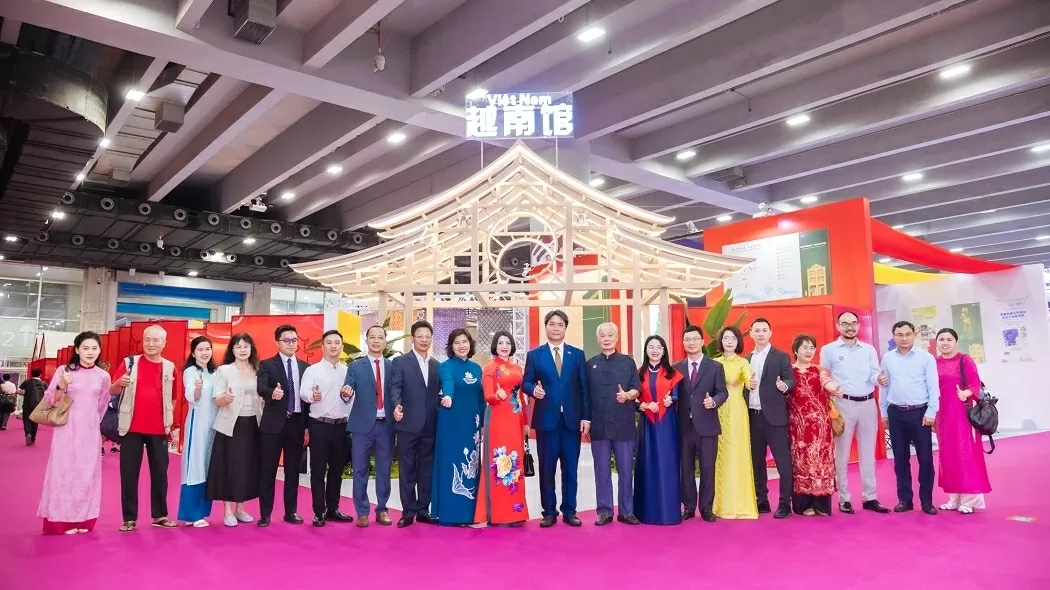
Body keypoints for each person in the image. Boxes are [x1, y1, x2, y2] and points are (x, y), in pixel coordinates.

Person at [37, 332, 111, 534]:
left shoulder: (103, 376)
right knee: (64, 471)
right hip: (67, 429)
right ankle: (62, 521)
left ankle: (83, 520)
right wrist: (61, 385)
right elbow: (51, 399)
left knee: (87, 474)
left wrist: (94, 425)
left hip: (90, 431)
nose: (90, 352)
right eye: (85, 348)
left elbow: (102, 404)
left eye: (94, 348)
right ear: (77, 349)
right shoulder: (64, 370)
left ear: (99, 351)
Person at [522, 310, 589, 528]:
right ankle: (549, 512)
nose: (556, 328)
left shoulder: (577, 355)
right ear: (546, 327)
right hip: (546, 421)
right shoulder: (535, 355)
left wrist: (586, 417)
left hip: (571, 422)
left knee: (570, 469)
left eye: (560, 324)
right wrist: (534, 390)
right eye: (552, 324)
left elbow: (584, 388)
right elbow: (526, 382)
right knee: (547, 469)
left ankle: (570, 511)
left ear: (565, 328)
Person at [819, 312, 889, 514]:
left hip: (868, 404)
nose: (849, 327)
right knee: (841, 454)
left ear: (858, 326)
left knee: (868, 453)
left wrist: (879, 379)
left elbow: (874, 373)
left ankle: (870, 497)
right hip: (843, 405)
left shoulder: (868, 350)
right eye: (845, 323)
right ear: (838, 326)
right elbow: (824, 375)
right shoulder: (829, 350)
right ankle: (844, 499)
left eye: (853, 323)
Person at [110, 324, 177, 532]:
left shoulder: (170, 367)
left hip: (159, 429)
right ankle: (129, 518)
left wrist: (170, 423)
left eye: (156, 340)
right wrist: (119, 383)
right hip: (131, 428)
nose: (151, 344)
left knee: (160, 474)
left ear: (164, 343)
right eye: (147, 339)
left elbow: (173, 399)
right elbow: (112, 390)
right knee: (129, 474)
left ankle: (160, 515)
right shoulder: (129, 363)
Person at [878, 320, 939, 515]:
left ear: (914, 335)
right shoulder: (888, 358)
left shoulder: (926, 358)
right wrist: (884, 412)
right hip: (896, 413)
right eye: (900, 335)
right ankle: (905, 500)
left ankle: (927, 501)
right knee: (900, 459)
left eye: (907, 334)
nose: (904, 338)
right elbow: (884, 386)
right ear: (894, 336)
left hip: (920, 413)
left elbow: (933, 387)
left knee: (925, 459)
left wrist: (931, 412)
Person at [586, 322, 642, 526]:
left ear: (616, 338)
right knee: (601, 471)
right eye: (603, 335)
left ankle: (626, 511)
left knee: (626, 470)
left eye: (610, 335)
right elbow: (585, 396)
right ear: (597, 339)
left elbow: (637, 389)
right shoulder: (590, 364)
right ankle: (604, 511)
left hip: (623, 424)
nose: (606, 339)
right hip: (599, 425)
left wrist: (627, 395)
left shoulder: (628, 362)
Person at [474, 331, 530, 527]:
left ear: (512, 345)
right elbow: (487, 396)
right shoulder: (489, 368)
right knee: (499, 463)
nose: (504, 346)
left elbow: (521, 397)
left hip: (515, 420)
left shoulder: (517, 368)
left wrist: (526, 422)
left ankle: (516, 512)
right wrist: (496, 396)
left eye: (507, 343)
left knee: (515, 465)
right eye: (500, 343)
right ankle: (498, 514)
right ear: (495, 346)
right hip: (497, 419)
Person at [674, 325, 729, 522]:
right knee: (686, 468)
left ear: (702, 341)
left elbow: (723, 392)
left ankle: (706, 507)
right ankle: (688, 507)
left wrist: (713, 401)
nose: (691, 343)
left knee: (707, 467)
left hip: (707, 425)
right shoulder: (676, 368)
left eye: (695, 339)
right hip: (683, 426)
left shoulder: (715, 367)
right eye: (687, 339)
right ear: (683, 343)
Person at [256, 324, 309, 527]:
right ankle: (265, 514)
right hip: (273, 425)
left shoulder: (305, 367)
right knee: (268, 470)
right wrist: (272, 393)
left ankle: (291, 511)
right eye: (286, 340)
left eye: (294, 340)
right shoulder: (267, 364)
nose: (291, 343)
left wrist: (306, 426)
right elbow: (261, 388)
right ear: (277, 342)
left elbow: (306, 399)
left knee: (292, 471)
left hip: (296, 423)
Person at [933, 328, 991, 514]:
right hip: (943, 415)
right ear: (937, 342)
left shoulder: (964, 359)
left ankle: (969, 500)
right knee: (948, 455)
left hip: (963, 414)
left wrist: (967, 392)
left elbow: (975, 383)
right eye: (941, 339)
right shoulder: (934, 362)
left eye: (949, 339)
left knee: (966, 454)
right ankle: (954, 499)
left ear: (956, 341)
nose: (945, 342)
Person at [390, 320, 441, 528]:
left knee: (427, 469)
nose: (424, 340)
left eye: (427, 336)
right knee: (407, 469)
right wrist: (396, 406)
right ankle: (408, 512)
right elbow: (395, 387)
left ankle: (423, 510)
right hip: (407, 424)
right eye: (420, 336)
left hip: (430, 425)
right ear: (413, 338)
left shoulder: (437, 365)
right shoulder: (400, 362)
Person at [208, 333, 263, 527]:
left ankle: (241, 508)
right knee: (229, 467)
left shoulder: (258, 370)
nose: (242, 350)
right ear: (232, 349)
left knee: (247, 466)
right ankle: (228, 511)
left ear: (251, 349)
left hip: (253, 423)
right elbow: (216, 399)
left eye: (246, 346)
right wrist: (225, 399)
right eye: (238, 346)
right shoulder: (224, 370)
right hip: (230, 424)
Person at [301, 330, 354, 527]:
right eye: (329, 342)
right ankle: (318, 512)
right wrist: (312, 395)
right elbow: (303, 392)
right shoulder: (312, 370)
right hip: (319, 425)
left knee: (337, 470)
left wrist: (348, 396)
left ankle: (333, 509)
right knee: (318, 470)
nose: (333, 346)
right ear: (322, 347)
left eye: (337, 342)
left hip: (341, 426)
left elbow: (353, 398)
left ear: (342, 346)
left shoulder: (348, 371)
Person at [344, 325, 395, 527]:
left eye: (380, 337)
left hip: (386, 426)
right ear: (366, 341)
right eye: (372, 337)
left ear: (385, 341)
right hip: (361, 427)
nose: (376, 341)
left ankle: (382, 509)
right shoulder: (355, 366)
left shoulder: (392, 366)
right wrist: (345, 392)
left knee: (384, 470)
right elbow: (348, 388)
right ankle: (362, 512)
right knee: (360, 470)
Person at [432, 329, 484, 527]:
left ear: (470, 344)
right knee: (451, 463)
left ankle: (470, 513)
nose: (461, 346)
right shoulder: (446, 366)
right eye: (457, 343)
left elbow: (480, 398)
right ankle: (450, 514)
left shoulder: (477, 368)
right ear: (451, 347)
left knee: (471, 465)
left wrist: (483, 425)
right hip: (451, 422)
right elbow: (448, 384)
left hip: (472, 424)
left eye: (464, 341)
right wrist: (448, 396)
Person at [745, 318, 795, 519]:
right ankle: (762, 500)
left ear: (770, 333)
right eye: (756, 330)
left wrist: (785, 386)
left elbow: (790, 379)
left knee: (783, 463)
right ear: (751, 333)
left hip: (775, 418)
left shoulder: (780, 356)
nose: (760, 334)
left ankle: (784, 503)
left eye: (764, 330)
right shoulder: (746, 359)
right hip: (753, 417)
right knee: (757, 462)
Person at [635, 335, 683, 525]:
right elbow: (634, 400)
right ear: (646, 350)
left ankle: (668, 511)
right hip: (647, 424)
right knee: (647, 464)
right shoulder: (638, 373)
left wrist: (671, 400)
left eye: (659, 347)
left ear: (664, 351)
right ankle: (645, 512)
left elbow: (678, 396)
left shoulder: (673, 373)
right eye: (651, 347)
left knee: (667, 464)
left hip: (667, 423)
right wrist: (644, 405)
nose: (655, 350)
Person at [788, 334, 837, 516]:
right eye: (805, 348)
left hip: (821, 426)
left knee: (821, 462)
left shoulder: (819, 370)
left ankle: (821, 505)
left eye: (812, 348)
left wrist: (835, 388)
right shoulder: (789, 372)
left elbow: (827, 382)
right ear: (795, 350)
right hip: (798, 426)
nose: (809, 351)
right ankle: (804, 505)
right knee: (801, 462)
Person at [712, 326, 758, 519]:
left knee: (737, 454)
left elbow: (749, 381)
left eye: (733, 338)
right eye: (726, 338)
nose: (729, 341)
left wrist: (751, 384)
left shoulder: (743, 363)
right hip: (716, 411)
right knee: (719, 456)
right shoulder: (714, 363)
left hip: (737, 413)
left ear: (738, 341)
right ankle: (720, 504)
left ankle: (740, 504)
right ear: (721, 341)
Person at [178, 337, 217, 527]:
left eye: (207, 349)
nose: (205, 353)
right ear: (193, 353)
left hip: (213, 425)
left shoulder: (215, 372)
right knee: (195, 465)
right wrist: (197, 390)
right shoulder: (190, 372)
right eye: (200, 349)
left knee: (207, 465)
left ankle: (201, 511)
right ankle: (191, 513)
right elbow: (190, 397)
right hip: (198, 424)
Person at [18, 368, 46, 446]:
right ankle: (33, 438)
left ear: (31, 374)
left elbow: (18, 390)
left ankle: (28, 433)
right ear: (40, 374)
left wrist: (25, 393)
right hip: (38, 405)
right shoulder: (43, 383)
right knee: (35, 421)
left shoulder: (26, 382)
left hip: (27, 404)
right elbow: (48, 393)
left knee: (27, 420)